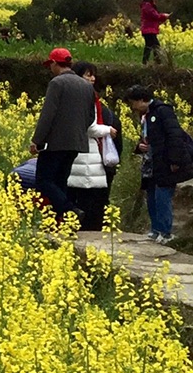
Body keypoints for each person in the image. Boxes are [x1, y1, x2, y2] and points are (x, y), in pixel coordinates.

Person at [30, 48, 97, 219]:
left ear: (54, 63)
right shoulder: (86, 86)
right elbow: (90, 116)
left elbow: (48, 115)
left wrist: (37, 140)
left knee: (43, 181)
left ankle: (70, 210)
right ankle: (60, 221)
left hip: (55, 143)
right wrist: (78, 130)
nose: (49, 68)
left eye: (50, 64)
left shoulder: (57, 83)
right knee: (60, 181)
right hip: (76, 143)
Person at [126, 85, 193, 244]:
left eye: (133, 103)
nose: (132, 107)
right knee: (151, 197)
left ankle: (166, 232)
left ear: (142, 100)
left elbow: (175, 136)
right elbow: (148, 138)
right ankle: (155, 230)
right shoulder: (145, 116)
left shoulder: (162, 111)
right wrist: (139, 147)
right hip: (151, 163)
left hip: (165, 162)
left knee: (162, 196)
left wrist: (175, 160)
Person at [64, 61, 118, 231]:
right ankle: (89, 230)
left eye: (93, 74)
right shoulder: (86, 97)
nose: (93, 78)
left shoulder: (69, 96)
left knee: (78, 194)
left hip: (78, 153)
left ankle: (78, 227)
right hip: (87, 154)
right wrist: (108, 129)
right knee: (91, 195)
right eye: (88, 74)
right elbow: (89, 127)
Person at [140, 0, 171, 64]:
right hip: (149, 30)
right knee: (155, 46)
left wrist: (163, 18)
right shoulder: (147, 6)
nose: (157, 0)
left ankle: (149, 62)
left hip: (149, 29)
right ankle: (155, 62)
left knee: (151, 46)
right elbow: (155, 16)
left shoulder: (147, 5)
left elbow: (155, 18)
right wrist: (164, 16)